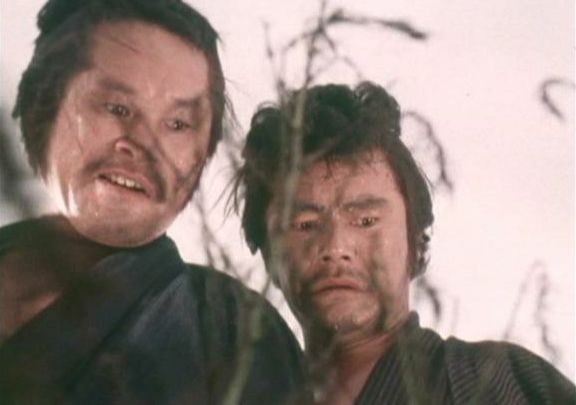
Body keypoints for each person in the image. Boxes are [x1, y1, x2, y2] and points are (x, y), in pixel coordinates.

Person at [0, 0, 305, 403]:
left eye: (178, 124)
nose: (144, 144)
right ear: (42, 105)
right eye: (117, 107)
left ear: (204, 154)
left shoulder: (231, 333)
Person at [236, 82, 576, 404]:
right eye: (306, 225)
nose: (336, 247)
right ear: (268, 255)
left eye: (366, 221)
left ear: (416, 244)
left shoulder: (496, 383)